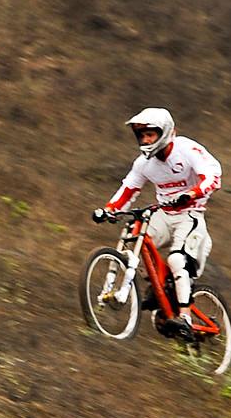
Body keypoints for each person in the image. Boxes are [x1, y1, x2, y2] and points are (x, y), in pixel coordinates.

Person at [93, 108, 222, 342]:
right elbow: (128, 189)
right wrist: (109, 210)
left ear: (164, 132)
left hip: (190, 214)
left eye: (150, 134)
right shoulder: (144, 163)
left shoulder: (185, 149)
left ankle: (185, 317)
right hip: (164, 214)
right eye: (142, 135)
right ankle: (155, 287)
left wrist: (192, 193)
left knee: (176, 259)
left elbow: (213, 175)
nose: (146, 140)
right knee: (135, 234)